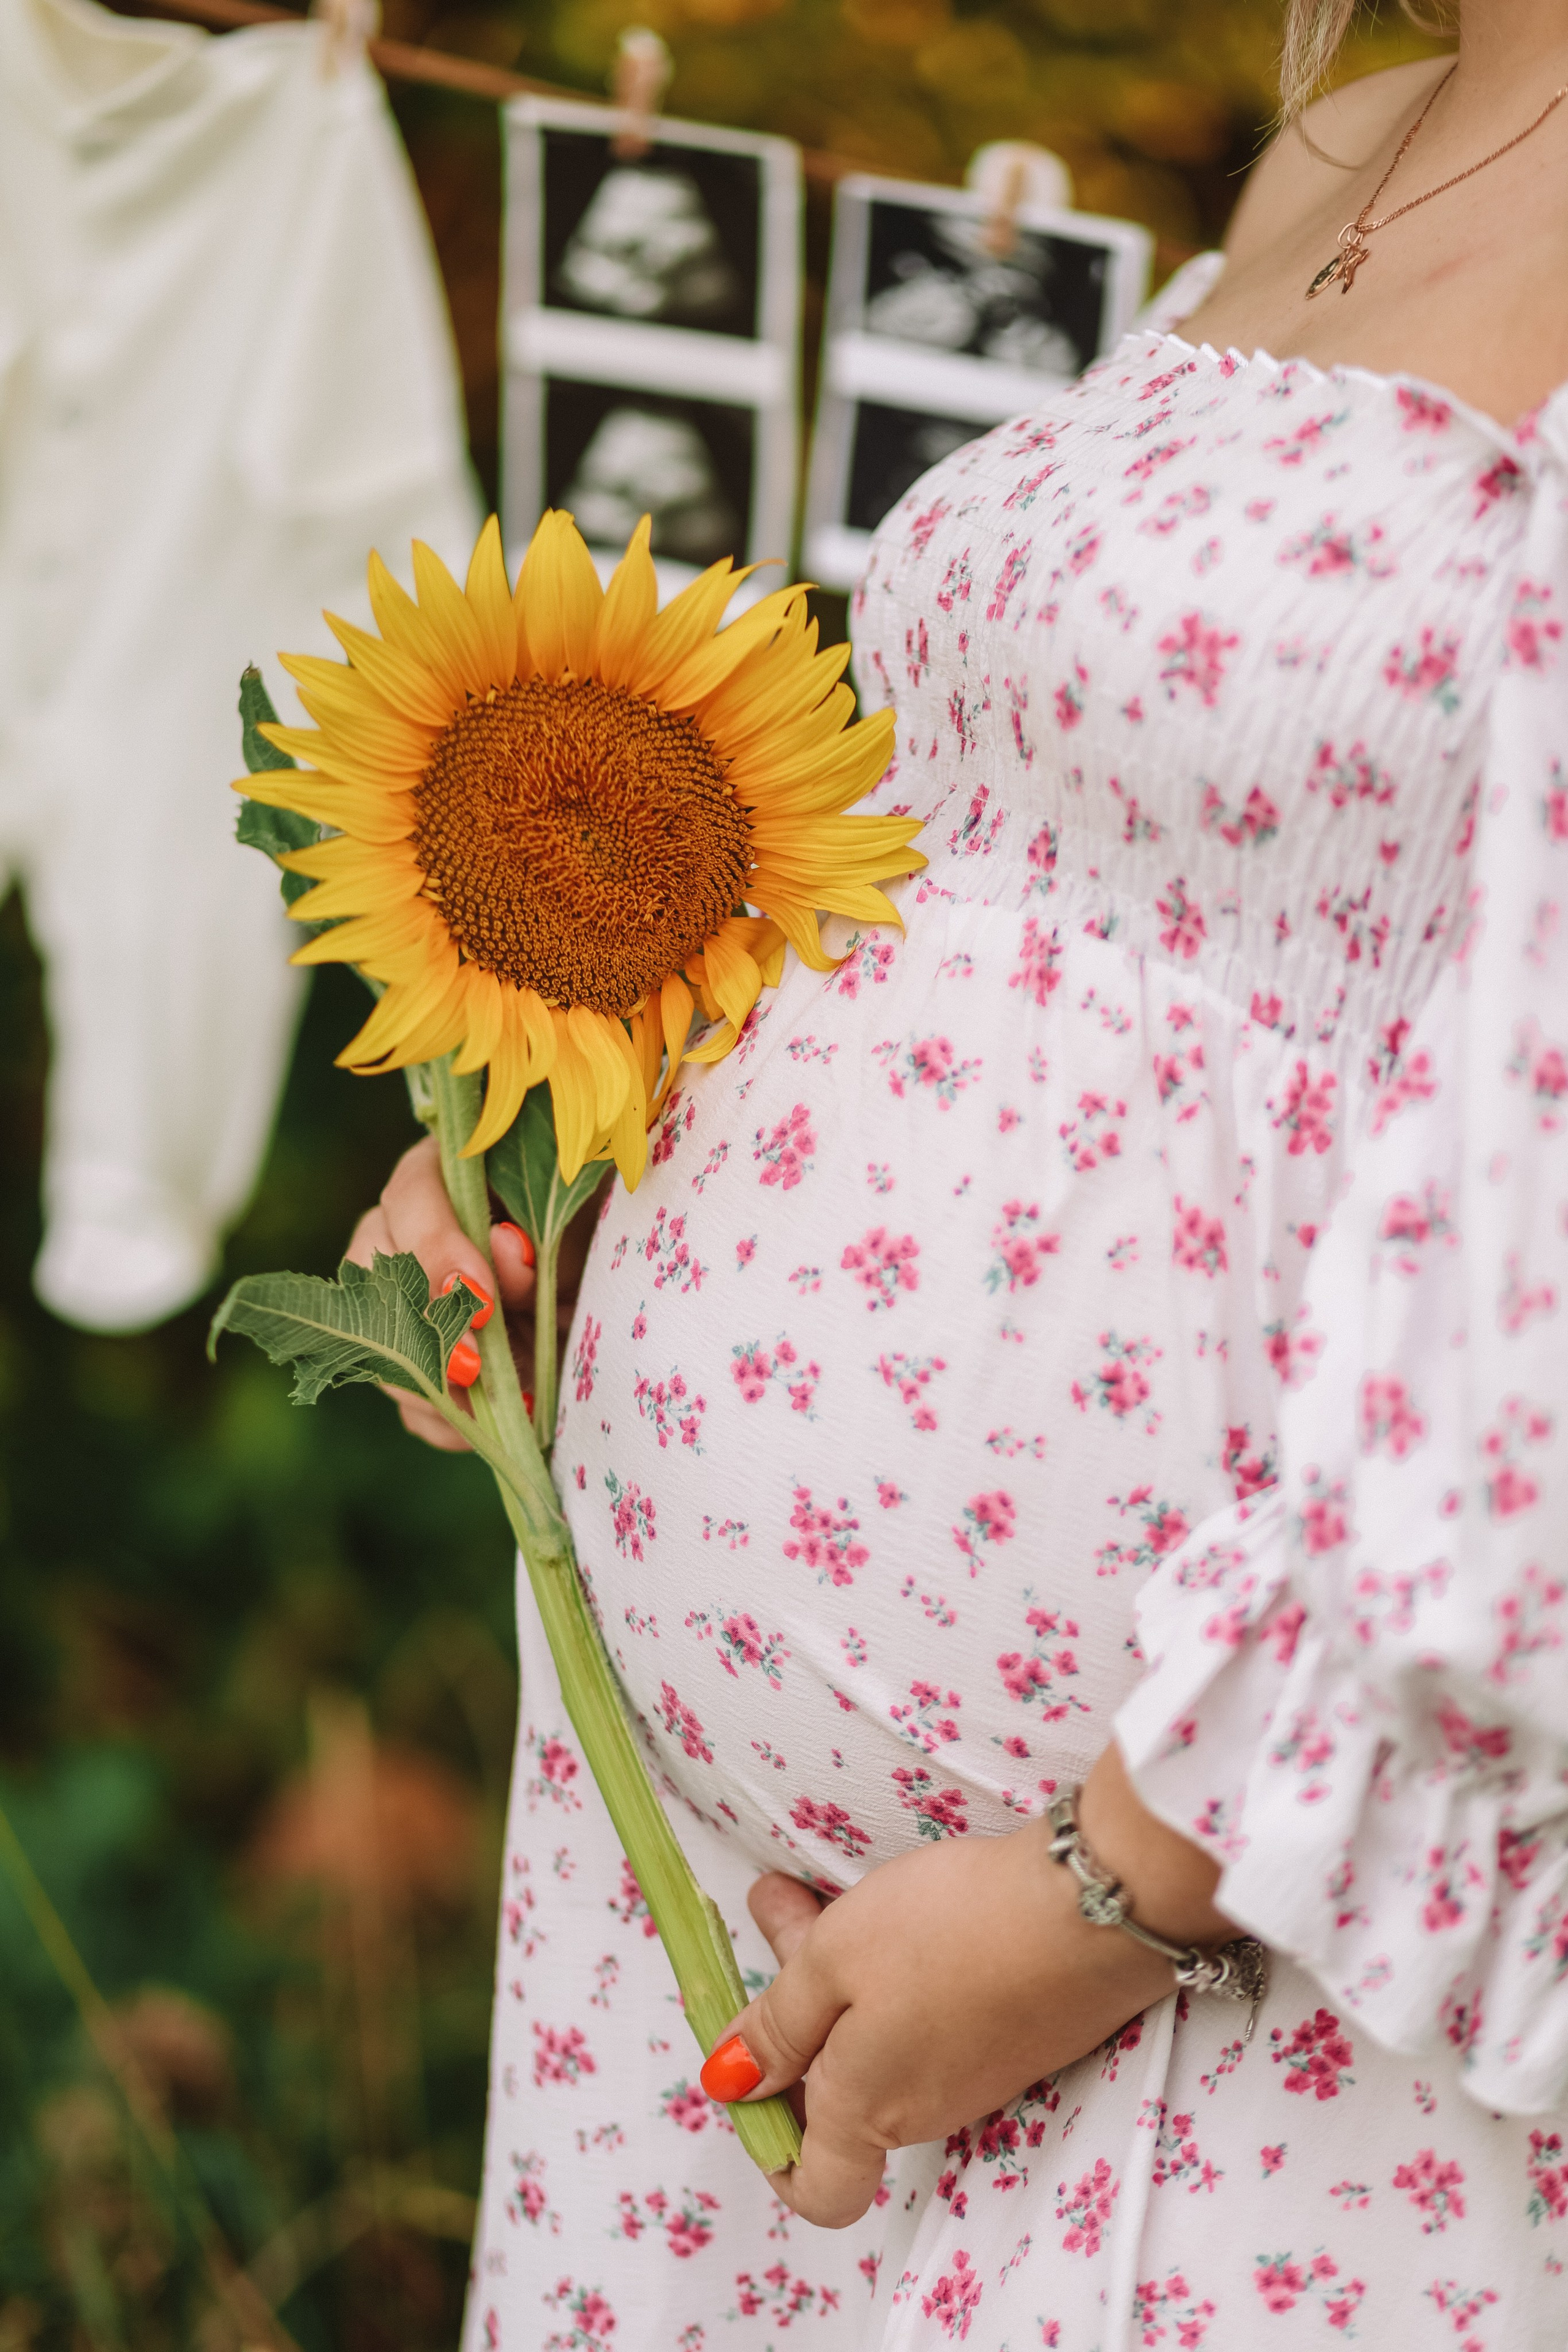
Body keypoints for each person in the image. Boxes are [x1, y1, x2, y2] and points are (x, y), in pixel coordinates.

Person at [351, 4, 1568, 2342]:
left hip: (1242, 1961)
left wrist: (1113, 1889)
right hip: (736, 1910)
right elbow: (1028, 869)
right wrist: (575, 1155)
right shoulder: (1365, 115)